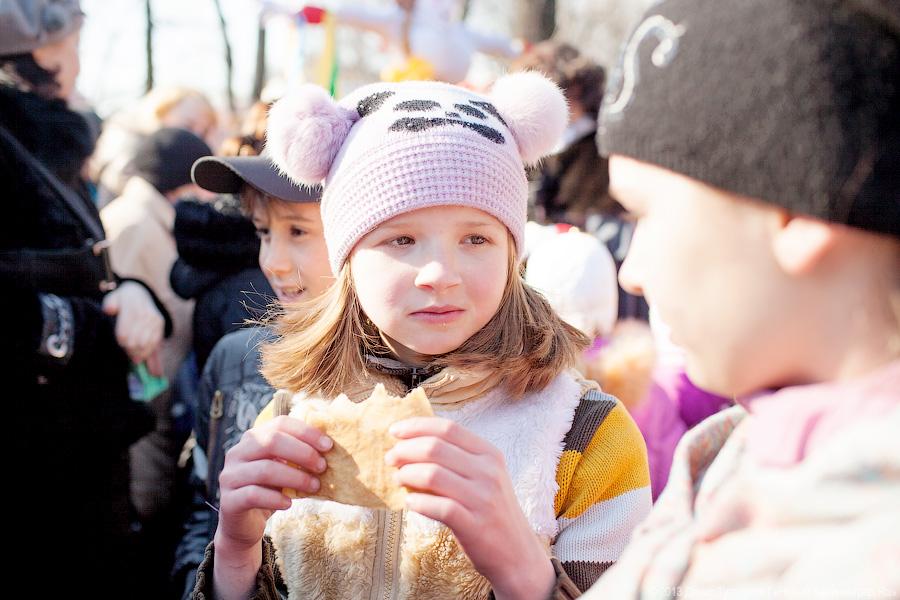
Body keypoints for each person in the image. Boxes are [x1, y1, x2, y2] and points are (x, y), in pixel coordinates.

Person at [193, 72, 652, 600]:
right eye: (401, 238)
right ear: (346, 260)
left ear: (512, 255)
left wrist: (526, 576)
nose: (439, 272)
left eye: (476, 238)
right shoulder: (294, 415)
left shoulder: (587, 436)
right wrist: (234, 554)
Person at [582, 0, 900, 596]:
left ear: (796, 213)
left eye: (643, 214)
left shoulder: (872, 556)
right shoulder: (739, 451)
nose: (632, 274)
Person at [0, 0, 168, 594]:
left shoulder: (43, 147)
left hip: (81, 467)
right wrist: (92, 328)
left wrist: (132, 293)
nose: (80, 62)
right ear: (41, 52)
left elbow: (83, 269)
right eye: (73, 44)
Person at [172, 154, 330, 599]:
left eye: (297, 231)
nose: (273, 261)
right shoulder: (236, 357)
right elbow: (203, 509)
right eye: (264, 232)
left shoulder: (408, 383)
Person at [100, 126, 213, 597]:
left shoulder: (155, 220)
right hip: (138, 402)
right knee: (143, 509)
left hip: (159, 400)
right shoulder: (132, 224)